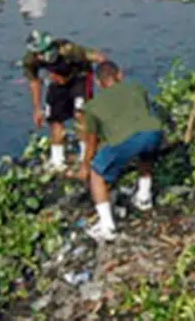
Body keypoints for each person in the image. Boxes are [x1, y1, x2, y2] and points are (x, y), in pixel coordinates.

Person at [73, 61, 163, 243]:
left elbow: (91, 143)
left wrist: (85, 166)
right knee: (145, 153)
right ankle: (144, 198)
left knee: (97, 174)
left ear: (99, 83)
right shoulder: (137, 87)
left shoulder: (92, 107)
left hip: (125, 141)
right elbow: (144, 113)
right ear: (120, 75)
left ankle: (108, 227)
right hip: (154, 132)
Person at [23, 30, 108, 171]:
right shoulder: (30, 59)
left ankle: (85, 157)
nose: (41, 56)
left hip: (80, 78)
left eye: (45, 51)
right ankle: (58, 161)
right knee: (55, 120)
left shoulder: (68, 50)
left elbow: (99, 57)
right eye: (38, 53)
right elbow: (34, 82)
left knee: (81, 115)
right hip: (58, 82)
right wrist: (37, 109)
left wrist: (107, 82)